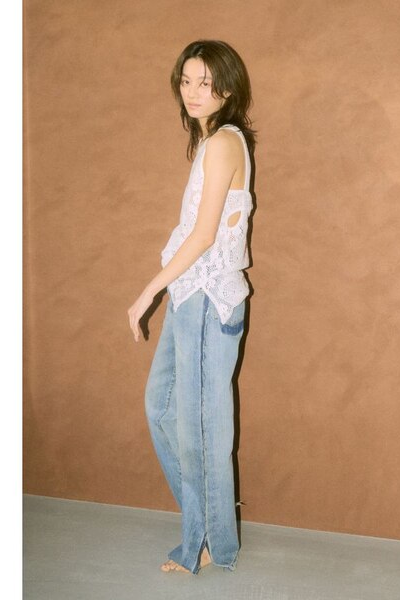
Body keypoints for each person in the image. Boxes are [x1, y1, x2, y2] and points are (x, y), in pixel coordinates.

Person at [127, 40, 256, 575]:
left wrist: (147, 292)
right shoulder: (210, 142)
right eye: (186, 81)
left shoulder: (224, 142)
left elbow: (203, 236)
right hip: (190, 298)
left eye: (206, 82)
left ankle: (205, 542)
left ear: (227, 88)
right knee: (161, 408)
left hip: (207, 302)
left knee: (201, 431)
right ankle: (213, 518)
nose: (193, 92)